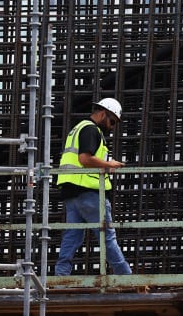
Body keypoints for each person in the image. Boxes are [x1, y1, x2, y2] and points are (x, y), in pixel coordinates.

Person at [54, 97, 132, 276]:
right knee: (107, 237)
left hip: (72, 192)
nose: (112, 126)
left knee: (72, 237)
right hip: (88, 193)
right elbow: (84, 158)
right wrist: (109, 164)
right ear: (103, 113)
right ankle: (126, 277)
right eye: (112, 121)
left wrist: (103, 166)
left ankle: (61, 276)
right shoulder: (91, 129)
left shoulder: (78, 128)